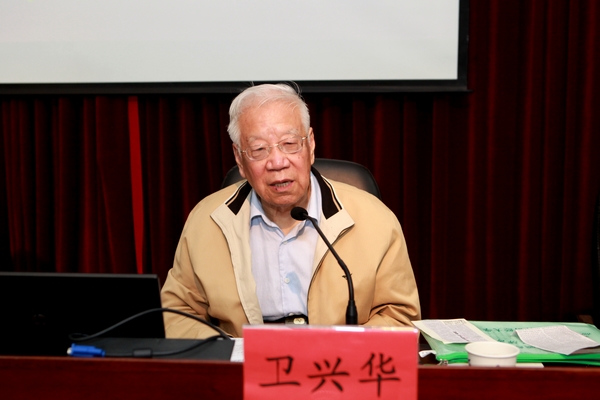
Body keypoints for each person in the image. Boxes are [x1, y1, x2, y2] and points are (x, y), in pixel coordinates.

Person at [160, 83, 420, 338]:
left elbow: (399, 316)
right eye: (259, 149)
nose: (277, 162)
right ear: (239, 159)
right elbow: (177, 314)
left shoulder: (375, 219)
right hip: (242, 362)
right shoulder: (205, 222)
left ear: (311, 145)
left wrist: (337, 348)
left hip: (337, 362)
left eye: (289, 143)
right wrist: (227, 351)